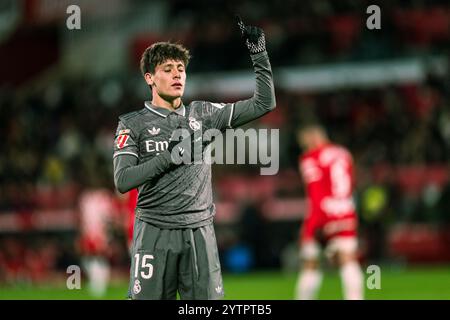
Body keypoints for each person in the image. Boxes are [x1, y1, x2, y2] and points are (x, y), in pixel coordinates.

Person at [112, 17, 276, 300]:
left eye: (181, 69)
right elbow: (123, 180)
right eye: (167, 69)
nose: (177, 75)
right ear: (149, 78)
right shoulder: (132, 124)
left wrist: (259, 53)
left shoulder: (205, 113)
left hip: (199, 231)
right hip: (154, 232)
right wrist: (169, 158)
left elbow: (264, 103)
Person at [295, 125, 364, 300]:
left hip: (322, 214)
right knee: (348, 260)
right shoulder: (344, 153)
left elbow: (316, 192)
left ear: (312, 138)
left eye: (305, 142)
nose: (305, 147)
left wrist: (312, 224)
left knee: (311, 263)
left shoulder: (310, 157)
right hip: (346, 211)